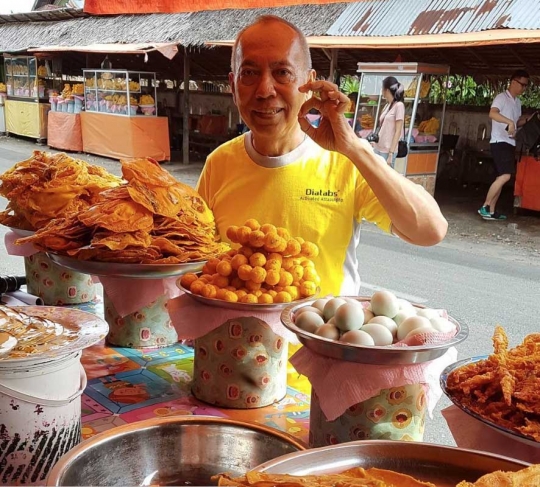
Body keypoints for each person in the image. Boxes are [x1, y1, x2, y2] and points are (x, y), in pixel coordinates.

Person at [196, 15, 447, 296]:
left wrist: (353, 147)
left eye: (282, 73)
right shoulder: (218, 164)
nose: (265, 91)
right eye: (250, 73)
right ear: (232, 85)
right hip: (233, 339)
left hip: (323, 339)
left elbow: (430, 230)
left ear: (309, 83)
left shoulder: (345, 162)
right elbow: (197, 260)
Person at [478, 69, 530, 221]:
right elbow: (492, 113)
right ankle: (485, 206)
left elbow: (516, 121)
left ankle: (492, 211)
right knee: (506, 175)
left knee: (500, 177)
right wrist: (508, 122)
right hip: (499, 141)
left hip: (510, 141)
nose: (524, 88)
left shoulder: (517, 102)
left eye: (526, 86)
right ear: (513, 82)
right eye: (522, 84)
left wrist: (527, 119)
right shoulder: (501, 98)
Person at [372, 77, 405, 169]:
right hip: (378, 147)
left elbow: (398, 131)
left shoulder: (399, 106)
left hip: (388, 150)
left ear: (386, 90)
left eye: (382, 88)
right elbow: (382, 127)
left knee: (385, 179)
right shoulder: (387, 105)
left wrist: (391, 153)